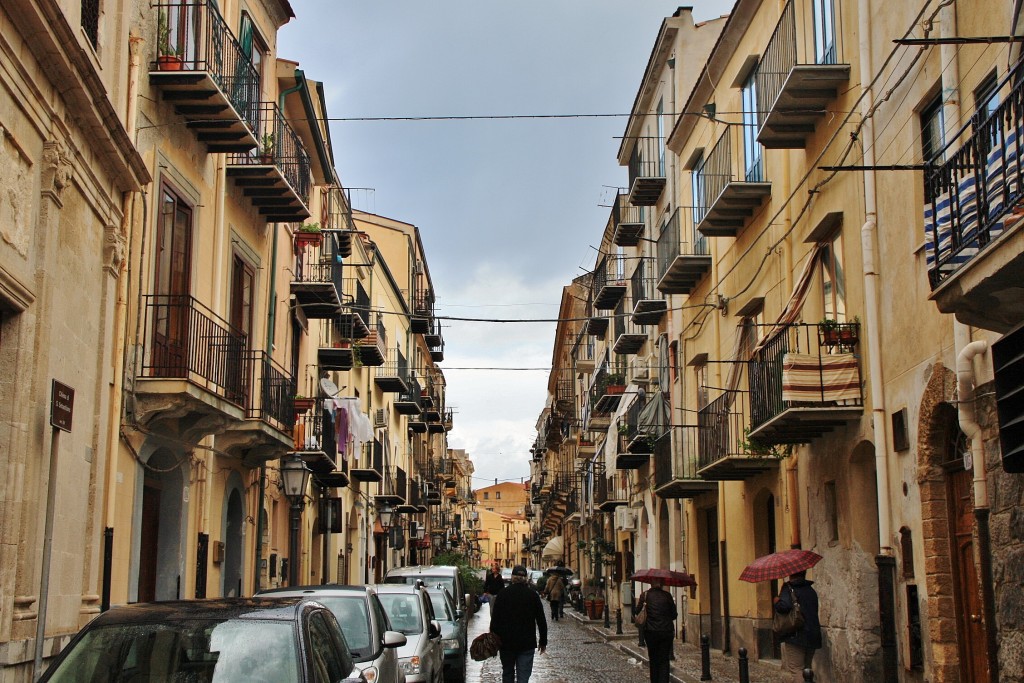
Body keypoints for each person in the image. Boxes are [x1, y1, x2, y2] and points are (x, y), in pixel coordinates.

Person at [489, 564, 547, 683]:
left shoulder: (502, 595)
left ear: (512, 577)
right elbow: (541, 620)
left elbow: (495, 620)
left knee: (507, 673)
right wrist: (543, 641)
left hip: (506, 643)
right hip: (526, 643)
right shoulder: (532, 596)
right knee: (523, 677)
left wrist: (494, 640)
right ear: (525, 578)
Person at [774, 571, 821, 683]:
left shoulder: (789, 588)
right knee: (807, 669)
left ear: (791, 574)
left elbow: (784, 606)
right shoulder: (811, 590)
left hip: (795, 634)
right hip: (813, 634)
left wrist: (776, 602)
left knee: (796, 669)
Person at [636, 578, 676, 683]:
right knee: (664, 659)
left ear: (651, 583)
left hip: (650, 631)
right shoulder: (667, 596)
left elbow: (637, 611)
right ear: (661, 584)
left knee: (653, 659)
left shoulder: (645, 595)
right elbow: (674, 615)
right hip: (666, 631)